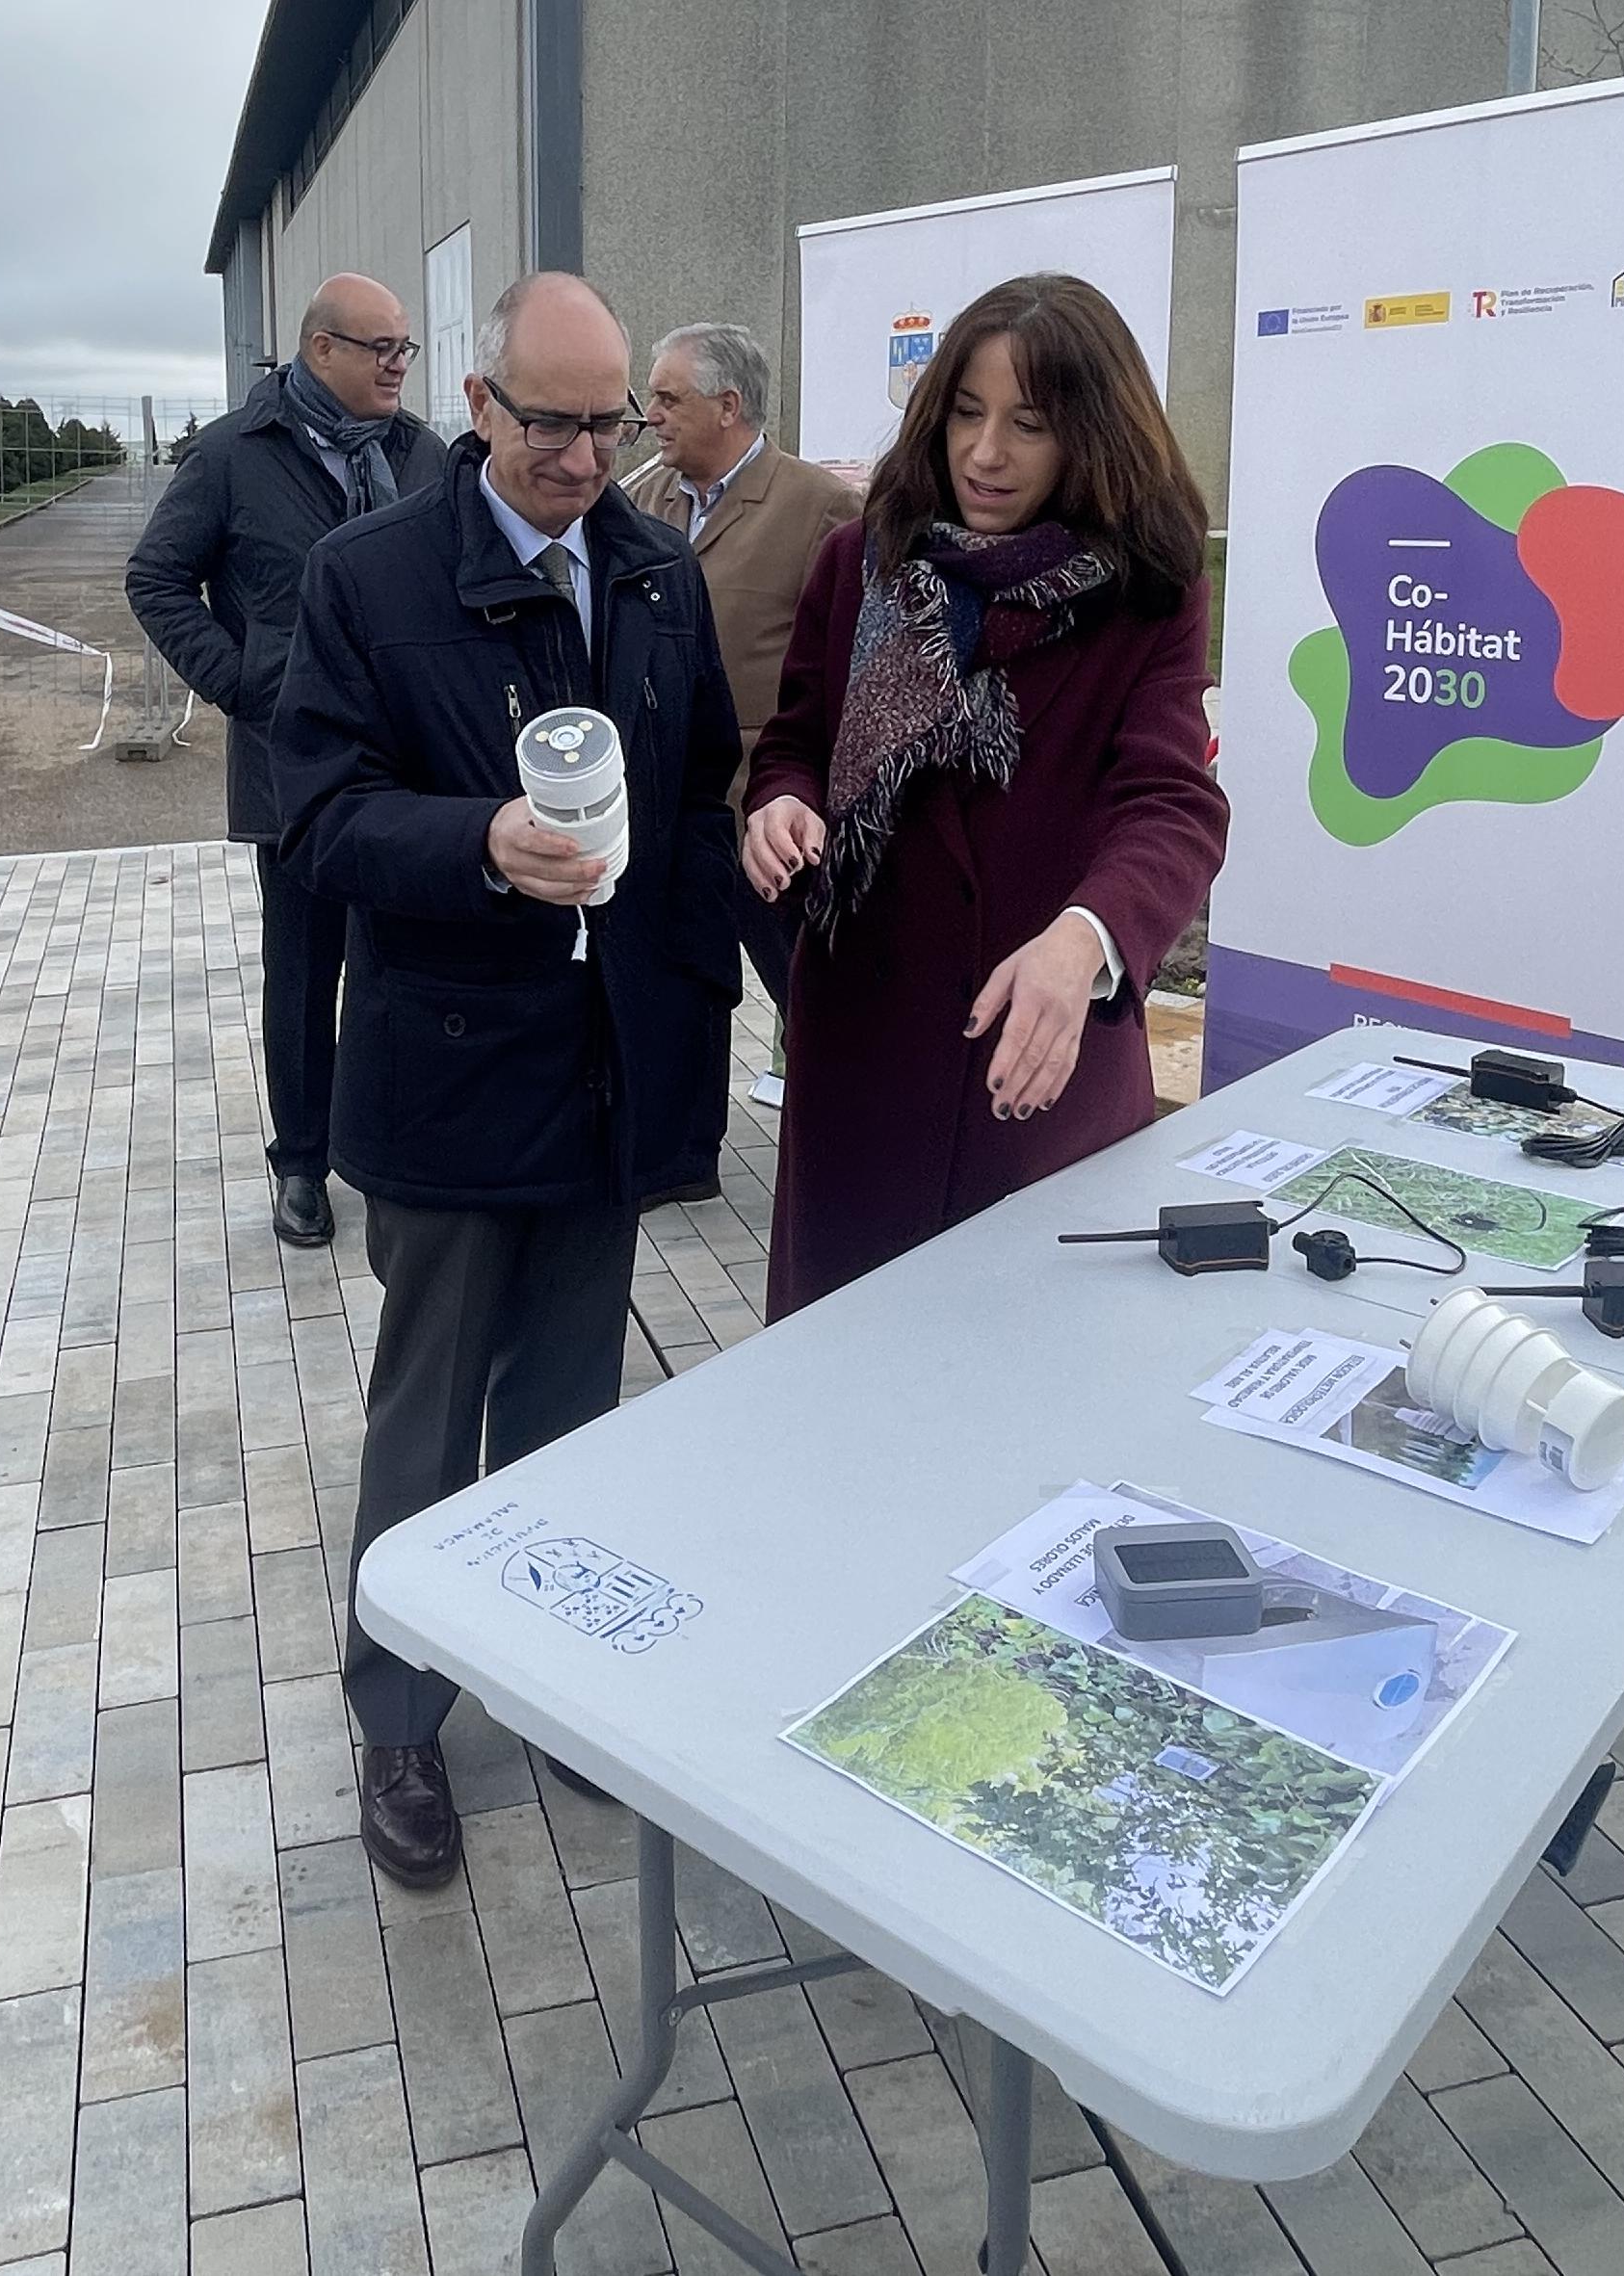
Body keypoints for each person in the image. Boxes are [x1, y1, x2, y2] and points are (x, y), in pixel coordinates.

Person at [274, 272, 742, 1887]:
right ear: (476, 406)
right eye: (550, 422)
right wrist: (475, 840)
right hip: (454, 1071)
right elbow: (317, 818)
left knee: (567, 1403)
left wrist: (728, 940)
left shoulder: (657, 568)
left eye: (610, 424)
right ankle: (398, 1714)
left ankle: (543, 1674)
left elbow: (699, 790)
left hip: (610, 1063)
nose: (583, 457)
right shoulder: (368, 576)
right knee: (430, 1412)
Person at [741, 273, 1227, 1320]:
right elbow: (796, 742)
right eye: (966, 412)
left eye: (1028, 424)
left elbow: (1171, 801)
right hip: (863, 1060)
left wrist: (1086, 939)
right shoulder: (860, 560)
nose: (985, 453)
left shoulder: (1149, 590)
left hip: (1037, 1070)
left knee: (1028, 1369)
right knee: (841, 1369)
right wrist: (780, 804)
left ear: (1093, 436)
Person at [126, 275, 447, 1248]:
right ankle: (303, 1162)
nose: (399, 364)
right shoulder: (233, 455)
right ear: (320, 349)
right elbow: (156, 577)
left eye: (405, 347)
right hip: (296, 771)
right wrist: (249, 683)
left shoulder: (422, 455)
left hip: (411, 768)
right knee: (305, 970)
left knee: (404, 964)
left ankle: (393, 1145)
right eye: (381, 347)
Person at [623, 324, 859, 1023]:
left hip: (766, 827)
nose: (651, 416)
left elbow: (848, 678)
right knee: (675, 1015)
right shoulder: (643, 500)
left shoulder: (820, 508)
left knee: (814, 1012)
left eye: (669, 399)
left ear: (728, 405)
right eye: (650, 398)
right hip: (662, 822)